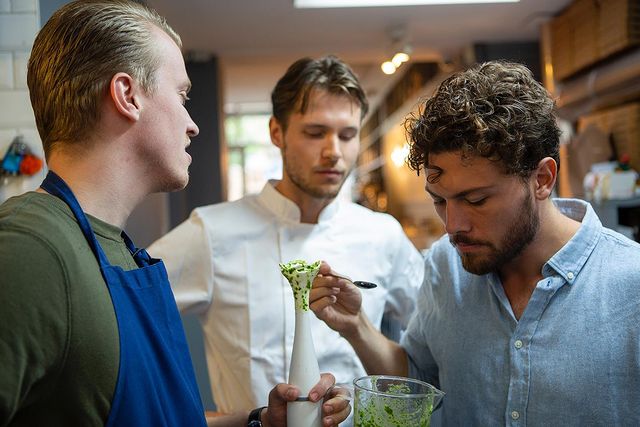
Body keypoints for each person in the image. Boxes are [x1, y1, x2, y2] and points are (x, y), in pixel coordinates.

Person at [0, 1, 349, 426]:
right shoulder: (31, 250)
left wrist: (257, 420)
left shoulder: (123, 254)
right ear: (127, 96)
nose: (192, 124)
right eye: (181, 96)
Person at [311, 60, 640, 425]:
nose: (453, 226)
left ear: (542, 179)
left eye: (477, 200)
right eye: (440, 200)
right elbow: (419, 380)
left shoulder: (630, 283)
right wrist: (356, 324)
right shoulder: (444, 264)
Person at [148, 55, 424, 415]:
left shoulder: (383, 234)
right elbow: (124, 313)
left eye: (347, 135)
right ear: (277, 133)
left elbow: (428, 360)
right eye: (315, 132)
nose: (333, 152)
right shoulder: (212, 232)